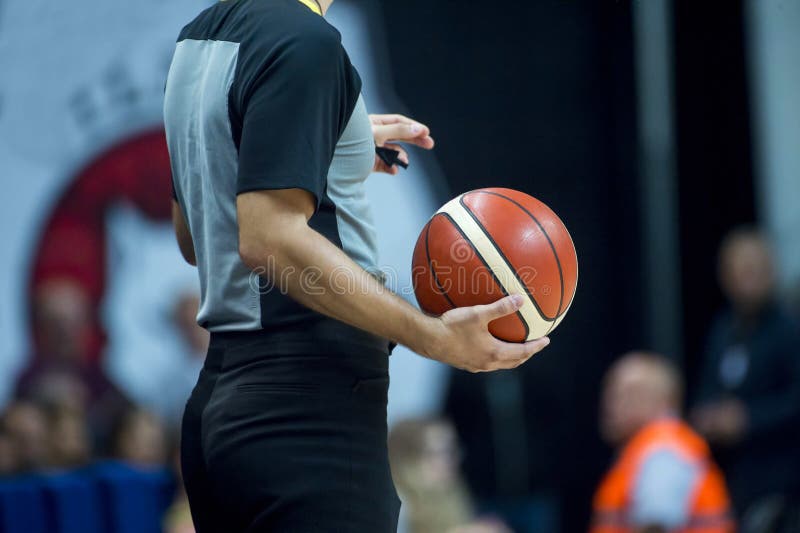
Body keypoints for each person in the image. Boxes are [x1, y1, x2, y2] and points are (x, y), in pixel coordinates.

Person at [163, 0, 551, 531]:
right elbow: (269, 240)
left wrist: (320, 139)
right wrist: (431, 336)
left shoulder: (197, 40)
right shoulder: (306, 41)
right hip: (309, 414)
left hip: (222, 409)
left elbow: (193, 237)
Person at [689, 228, 800, 525]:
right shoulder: (723, 329)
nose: (747, 278)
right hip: (733, 481)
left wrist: (747, 419)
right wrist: (708, 416)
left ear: (772, 270)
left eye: (755, 269)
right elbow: (708, 388)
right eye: (740, 270)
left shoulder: (790, 329)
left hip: (783, 482)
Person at [591, 352, 734, 533]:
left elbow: (656, 525)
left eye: (629, 394)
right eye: (611, 392)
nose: (612, 404)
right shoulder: (649, 446)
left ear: (664, 401)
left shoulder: (663, 450)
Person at [388, 417, 511, 533]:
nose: (452, 460)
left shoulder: (452, 496)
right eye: (440, 452)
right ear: (407, 460)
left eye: (452, 449)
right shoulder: (398, 507)